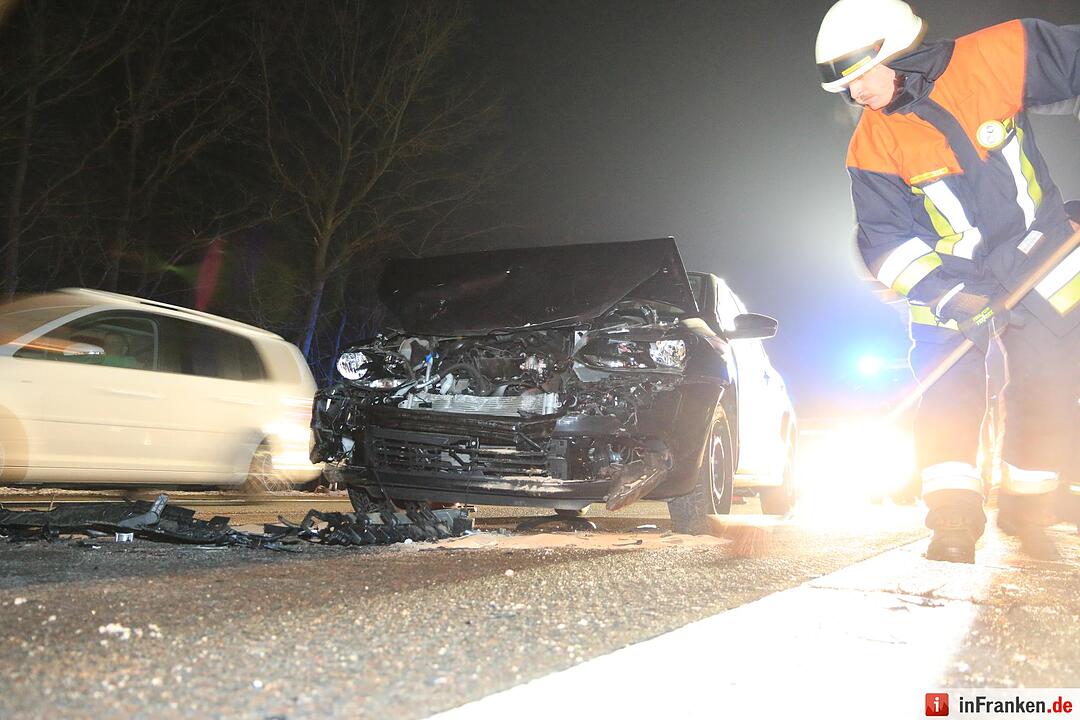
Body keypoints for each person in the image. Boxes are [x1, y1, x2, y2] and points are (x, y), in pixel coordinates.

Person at [815, 0, 1080, 562]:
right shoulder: (871, 145)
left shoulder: (997, 56)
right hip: (948, 284)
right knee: (947, 392)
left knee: (1055, 385)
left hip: (1043, 257)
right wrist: (950, 295)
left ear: (896, 51)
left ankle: (1029, 503)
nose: (855, 94)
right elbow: (886, 243)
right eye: (844, 86)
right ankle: (954, 520)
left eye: (860, 77)